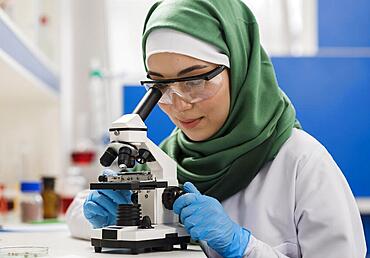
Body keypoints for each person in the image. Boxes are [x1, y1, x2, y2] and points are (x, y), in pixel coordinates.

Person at [66, 0, 367, 257]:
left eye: (194, 81)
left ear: (239, 70)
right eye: (160, 87)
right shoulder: (167, 160)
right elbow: (76, 214)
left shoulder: (302, 163)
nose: (179, 104)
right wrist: (104, 216)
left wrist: (245, 247)